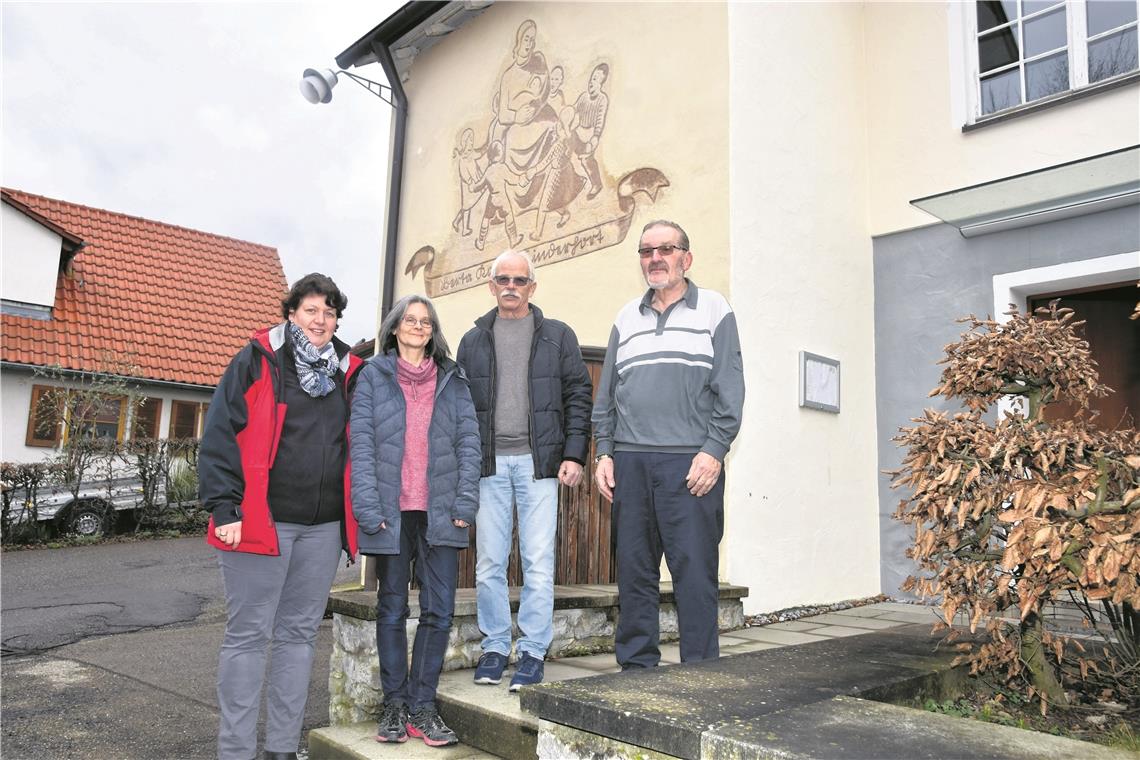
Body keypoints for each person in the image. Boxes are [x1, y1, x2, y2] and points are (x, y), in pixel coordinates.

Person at [199, 273, 364, 760]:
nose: (321, 320)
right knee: (249, 636)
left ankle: (282, 750)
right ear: (292, 313)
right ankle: (236, 751)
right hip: (258, 521)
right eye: (311, 310)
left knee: (298, 638)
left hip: (322, 528)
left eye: (329, 313)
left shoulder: (346, 372)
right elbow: (220, 432)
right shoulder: (259, 360)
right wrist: (223, 505)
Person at [591, 220, 745, 670]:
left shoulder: (715, 309)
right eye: (646, 251)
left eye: (666, 249)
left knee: (695, 575)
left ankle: (700, 675)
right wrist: (604, 451)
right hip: (631, 462)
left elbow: (730, 388)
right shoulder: (625, 317)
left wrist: (714, 449)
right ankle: (637, 669)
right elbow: (608, 396)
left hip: (690, 462)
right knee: (634, 574)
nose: (655, 258)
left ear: (686, 258)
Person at [456, 250, 593, 691]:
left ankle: (533, 652)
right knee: (489, 564)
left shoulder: (557, 336)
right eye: (503, 279)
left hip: (539, 467)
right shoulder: (472, 340)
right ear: (491, 285)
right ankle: (496, 646)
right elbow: (460, 409)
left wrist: (574, 454)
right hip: (489, 466)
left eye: (519, 279)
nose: (511, 286)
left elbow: (578, 396)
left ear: (532, 287)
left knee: (538, 563)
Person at [350, 295, 480, 747]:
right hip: (391, 511)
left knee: (439, 611)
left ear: (433, 329)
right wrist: (367, 507)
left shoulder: (454, 379)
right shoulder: (372, 375)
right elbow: (361, 444)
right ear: (395, 326)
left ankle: (423, 707)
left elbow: (469, 444)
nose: (418, 326)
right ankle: (394, 705)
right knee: (391, 608)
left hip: (441, 511)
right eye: (410, 319)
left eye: (426, 321)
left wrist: (466, 503)